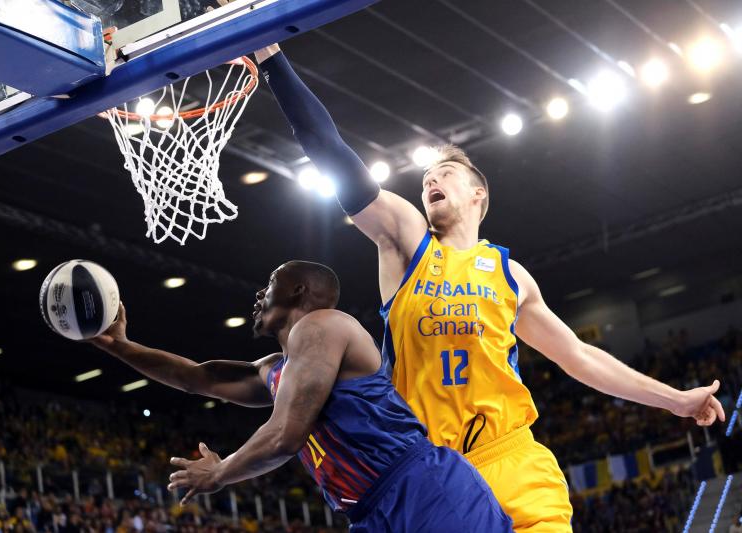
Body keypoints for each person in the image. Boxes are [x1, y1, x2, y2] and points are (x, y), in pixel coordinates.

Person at [252, 42, 727, 531]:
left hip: (512, 460)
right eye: (425, 180)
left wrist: (674, 399)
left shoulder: (510, 276)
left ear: (479, 194)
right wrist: (272, 59)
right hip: (431, 472)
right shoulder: (405, 245)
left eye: (446, 174)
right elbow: (330, 150)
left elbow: (579, 357)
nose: (430, 181)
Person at [90, 261, 512, 532]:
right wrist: (120, 346)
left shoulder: (325, 325)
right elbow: (196, 378)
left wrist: (220, 473)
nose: (259, 294)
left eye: (271, 282)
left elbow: (285, 436)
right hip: (368, 512)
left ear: (298, 291)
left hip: (421, 488)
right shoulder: (276, 368)